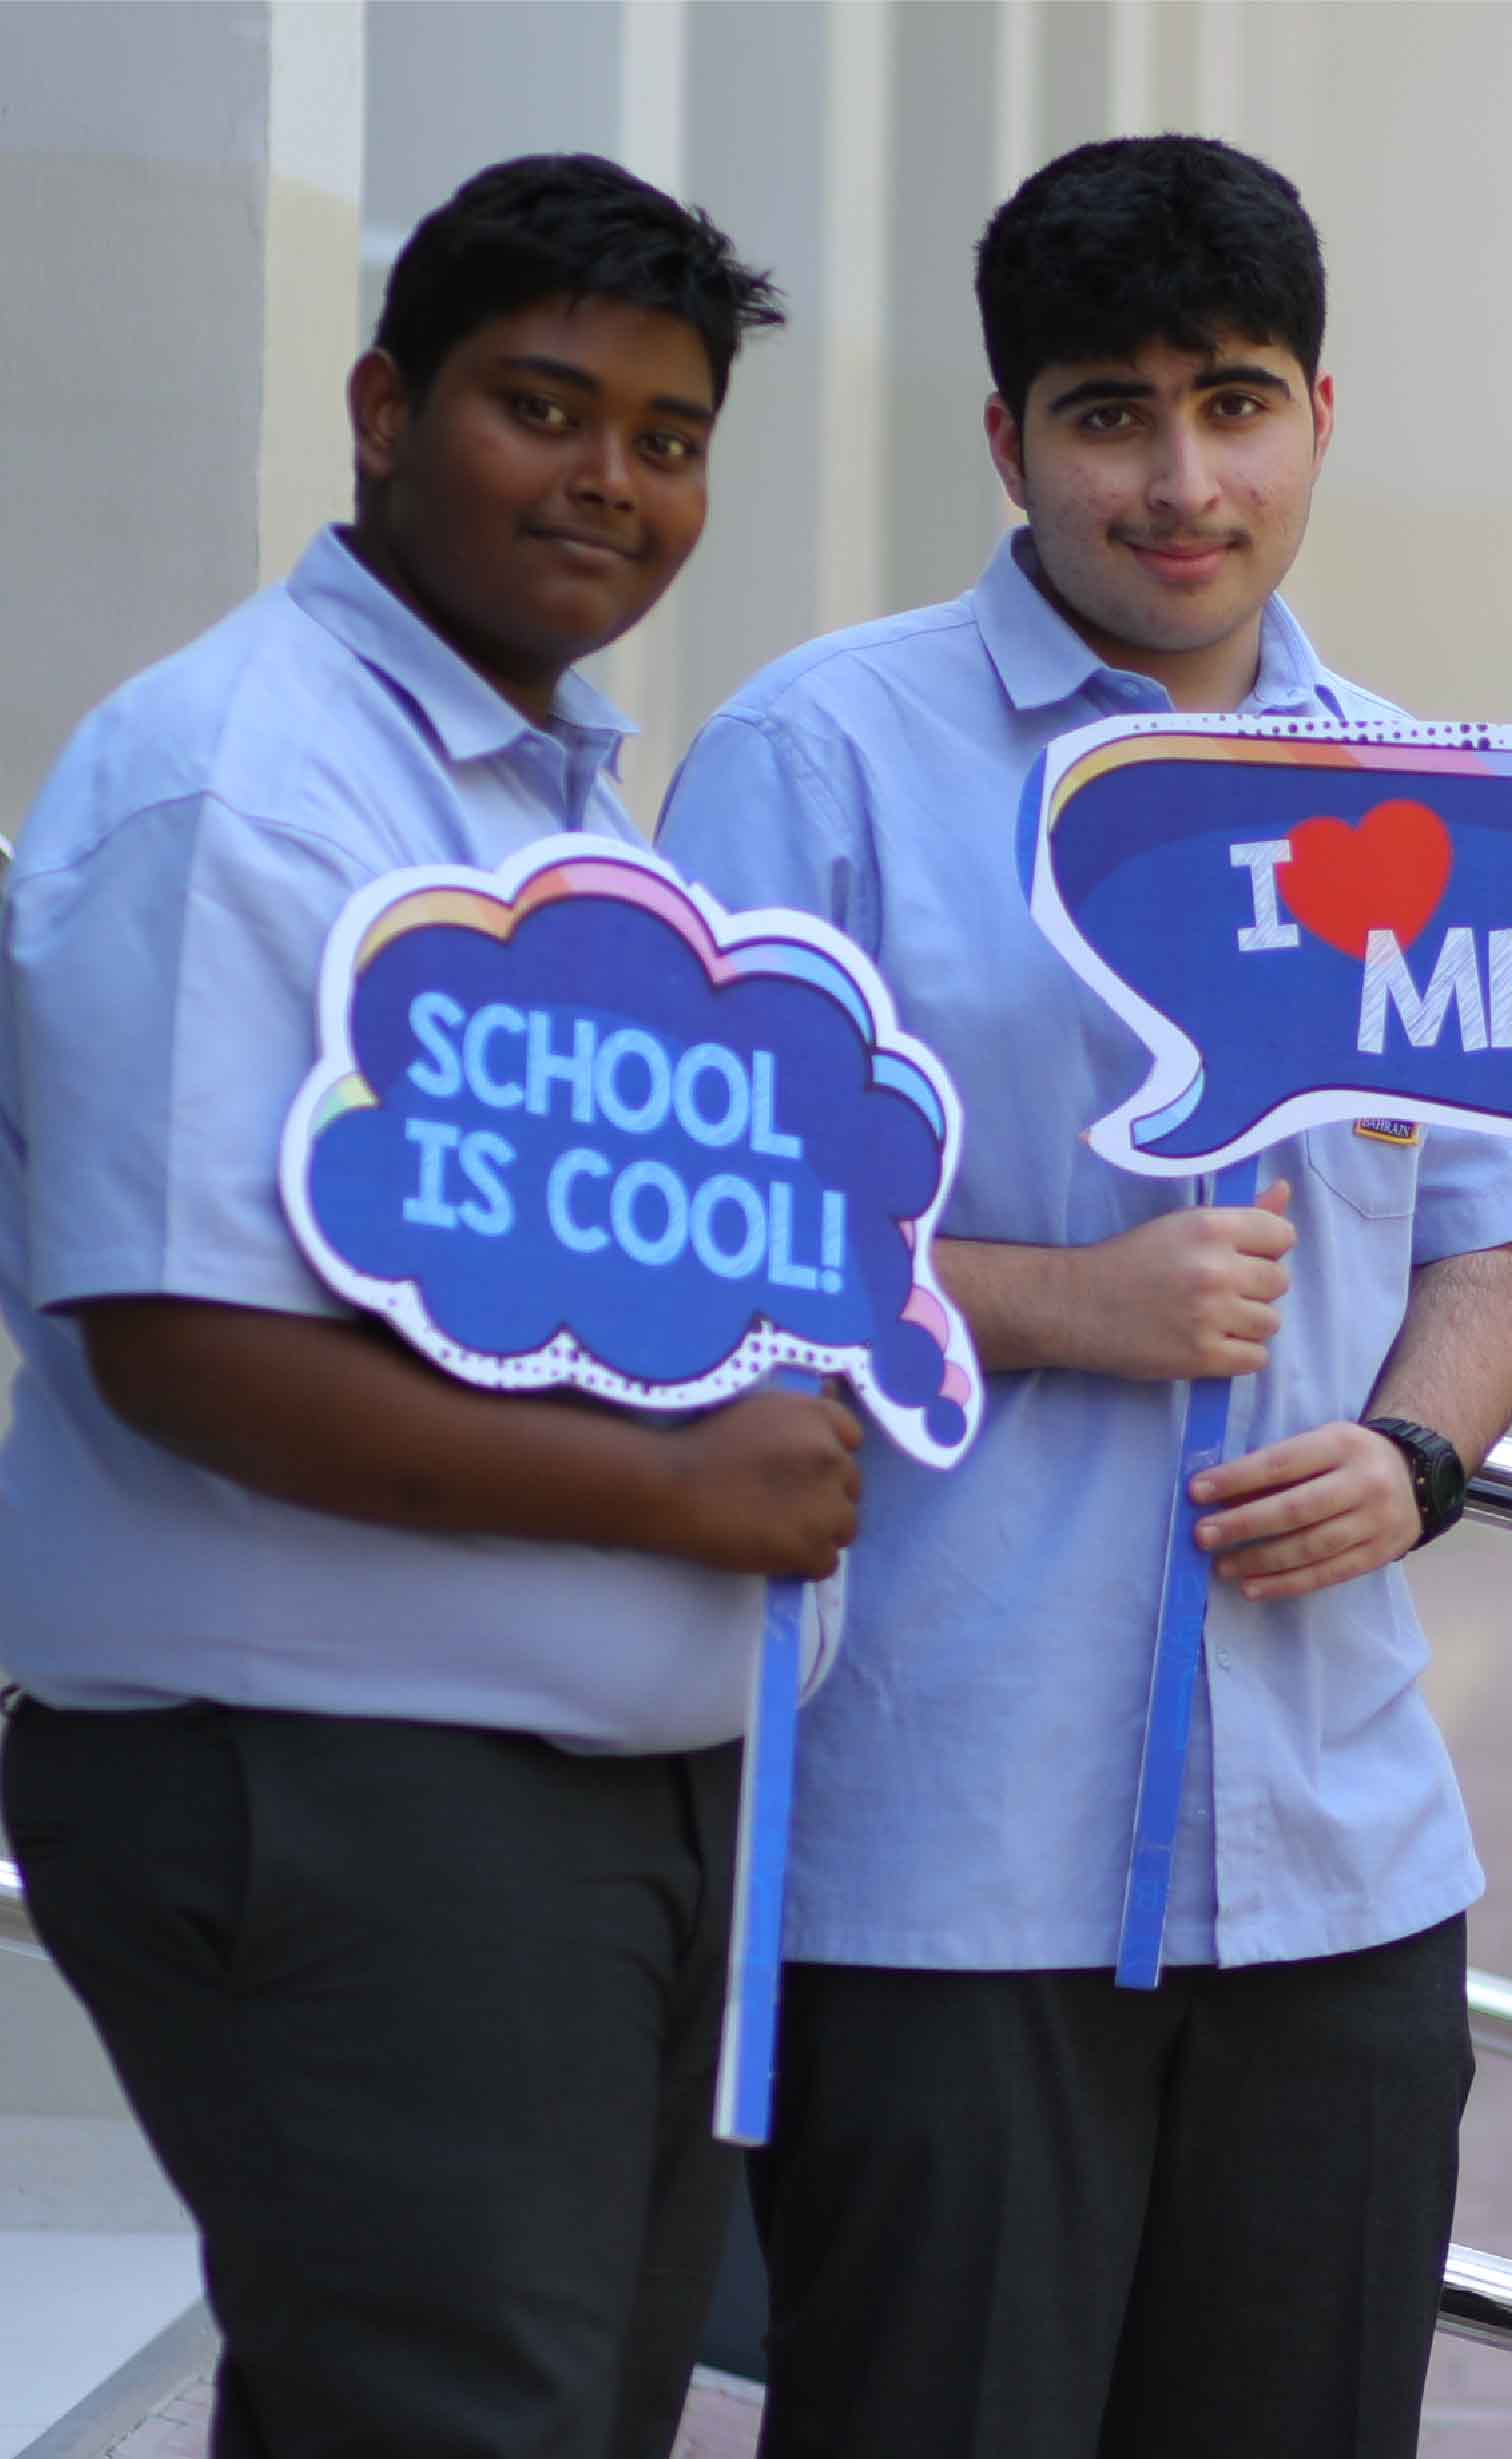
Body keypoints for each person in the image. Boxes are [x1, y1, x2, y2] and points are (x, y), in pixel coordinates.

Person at [655, 135, 1512, 2459]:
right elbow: (688, 1244)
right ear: (1007, 440)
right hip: (942, 1861)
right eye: (1109, 415)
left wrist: (1415, 1451)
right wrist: (1065, 1299)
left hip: (1339, 1860)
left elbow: (1486, 1242)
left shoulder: (1416, 792)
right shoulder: (817, 759)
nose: (1181, 482)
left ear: (1318, 416)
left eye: (1234, 403)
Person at [0, 158, 819, 2458]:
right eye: (540, 408)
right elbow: (182, 1345)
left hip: (579, 1807)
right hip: (347, 1791)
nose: (609, 481)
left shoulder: (555, 811)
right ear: (383, 410)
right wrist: (683, 1495)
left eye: (667, 437)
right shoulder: (239, 781)